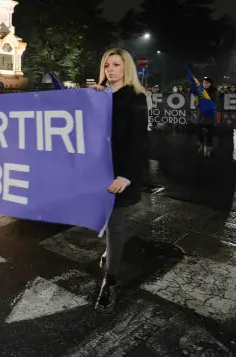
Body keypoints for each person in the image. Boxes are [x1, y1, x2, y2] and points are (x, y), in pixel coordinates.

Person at [90, 48, 148, 313]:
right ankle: (110, 255)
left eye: (116, 64)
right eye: (106, 66)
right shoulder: (99, 97)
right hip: (97, 171)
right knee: (103, 219)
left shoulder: (136, 98)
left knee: (115, 225)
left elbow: (138, 143)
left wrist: (125, 176)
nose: (110, 70)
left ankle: (110, 281)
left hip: (120, 174)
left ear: (126, 68)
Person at [196, 77, 217, 157]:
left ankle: (208, 148)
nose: (205, 84)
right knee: (199, 132)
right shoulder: (200, 92)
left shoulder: (214, 92)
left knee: (209, 135)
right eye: (204, 83)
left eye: (207, 83)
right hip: (201, 116)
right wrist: (197, 104)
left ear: (210, 84)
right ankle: (201, 144)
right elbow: (196, 102)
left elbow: (215, 103)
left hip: (210, 116)